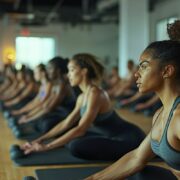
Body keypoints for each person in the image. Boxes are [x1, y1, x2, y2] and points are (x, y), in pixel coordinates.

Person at [21, 53, 145, 161]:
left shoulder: (95, 93)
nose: (68, 75)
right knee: (67, 138)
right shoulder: (82, 97)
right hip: (108, 136)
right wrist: (39, 140)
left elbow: (81, 129)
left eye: (72, 70)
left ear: (84, 71)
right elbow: (66, 122)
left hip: (127, 138)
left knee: (76, 146)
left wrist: (46, 147)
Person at [85, 40, 180, 179]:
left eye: (144, 66)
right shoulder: (160, 114)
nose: (136, 74)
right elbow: (136, 158)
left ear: (167, 71)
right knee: (140, 174)